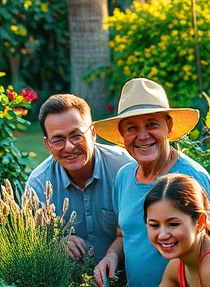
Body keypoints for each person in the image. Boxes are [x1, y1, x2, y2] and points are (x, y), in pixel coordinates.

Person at [92, 78, 210, 287]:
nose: (142, 136)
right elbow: (124, 233)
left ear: (168, 126)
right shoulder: (123, 177)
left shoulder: (191, 178)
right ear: (122, 134)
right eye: (131, 128)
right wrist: (111, 255)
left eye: (152, 124)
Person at [26, 93, 133, 262]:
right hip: (68, 283)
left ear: (92, 133)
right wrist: (55, 243)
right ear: (47, 145)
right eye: (58, 140)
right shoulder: (38, 185)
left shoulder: (125, 168)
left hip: (126, 275)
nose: (69, 147)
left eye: (76, 136)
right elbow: (30, 242)